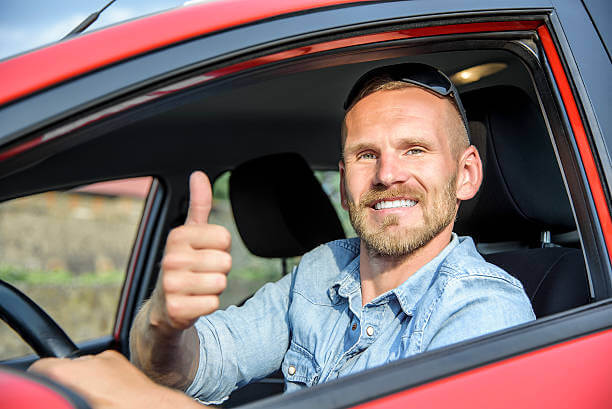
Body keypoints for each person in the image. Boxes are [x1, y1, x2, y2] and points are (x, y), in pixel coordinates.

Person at [30, 63, 535, 408]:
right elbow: (197, 364)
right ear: (343, 182)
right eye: (366, 155)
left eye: (415, 150)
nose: (387, 175)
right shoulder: (321, 272)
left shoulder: (486, 311)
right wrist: (163, 323)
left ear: (466, 175)